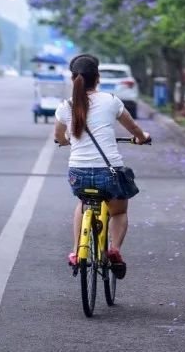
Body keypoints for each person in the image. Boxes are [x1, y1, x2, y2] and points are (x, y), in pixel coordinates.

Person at [54, 53, 151, 277]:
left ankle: (78, 250)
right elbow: (134, 129)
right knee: (118, 212)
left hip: (77, 174)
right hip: (109, 172)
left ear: (73, 79)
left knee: (83, 202)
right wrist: (142, 137)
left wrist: (67, 141)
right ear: (97, 77)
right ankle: (114, 249)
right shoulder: (111, 101)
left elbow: (59, 137)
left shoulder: (65, 106)